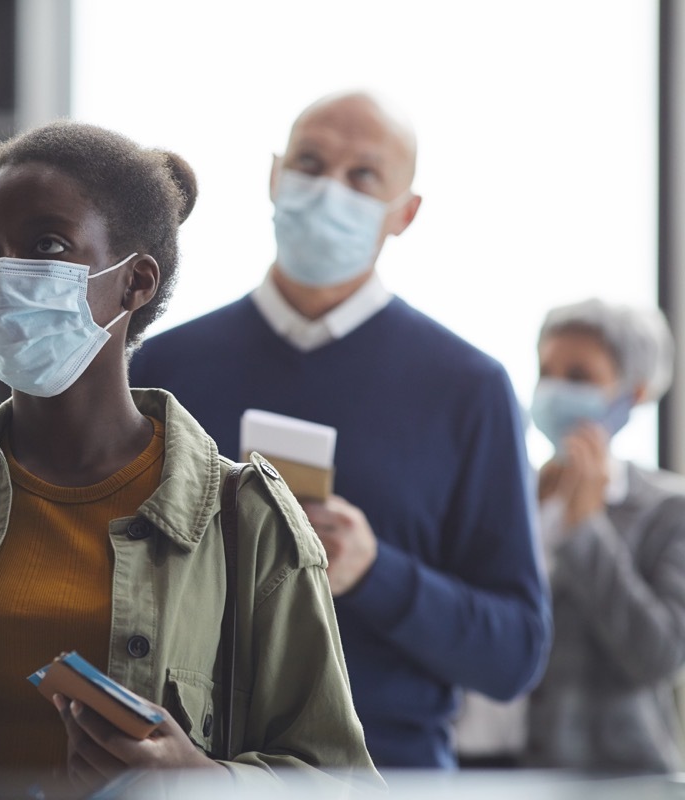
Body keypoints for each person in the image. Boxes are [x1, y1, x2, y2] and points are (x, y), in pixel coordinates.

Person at [0, 120, 379, 796]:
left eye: (47, 245)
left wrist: (199, 780)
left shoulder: (244, 522)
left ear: (137, 282)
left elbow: (345, 783)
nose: (5, 274)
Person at [128, 90, 551, 769]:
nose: (329, 190)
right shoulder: (162, 366)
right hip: (189, 771)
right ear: (274, 176)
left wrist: (375, 572)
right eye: (311, 162)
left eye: (363, 176)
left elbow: (514, 654)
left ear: (405, 213)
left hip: (389, 774)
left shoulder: (468, 387)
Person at [522, 298, 685, 772]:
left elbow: (660, 655)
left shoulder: (667, 510)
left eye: (578, 377)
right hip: (503, 773)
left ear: (630, 395)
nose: (553, 390)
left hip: (618, 777)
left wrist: (585, 529)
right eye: (545, 371)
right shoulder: (514, 497)